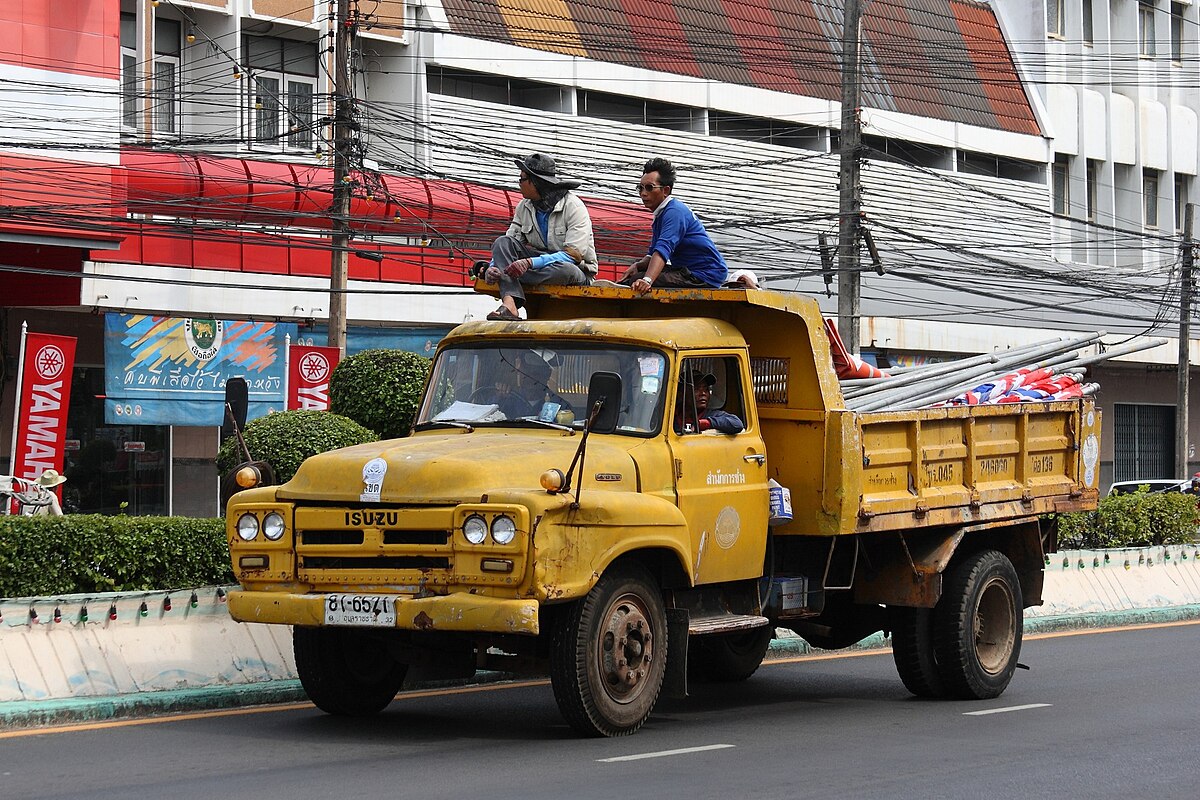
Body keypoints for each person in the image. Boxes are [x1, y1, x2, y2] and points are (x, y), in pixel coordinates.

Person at [481, 154, 597, 321]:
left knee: (566, 270)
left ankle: (506, 278)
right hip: (535, 268)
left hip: (575, 272)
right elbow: (510, 241)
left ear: (535, 182)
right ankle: (510, 304)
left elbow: (574, 255)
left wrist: (528, 263)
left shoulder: (573, 206)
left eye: (522, 179)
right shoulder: (524, 206)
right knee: (502, 242)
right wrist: (493, 267)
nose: (519, 184)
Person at [621, 157, 728, 295]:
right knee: (635, 276)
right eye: (640, 188)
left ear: (665, 190)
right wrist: (637, 266)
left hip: (704, 274)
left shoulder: (674, 212)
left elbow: (663, 249)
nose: (643, 193)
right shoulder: (661, 214)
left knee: (638, 280)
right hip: (687, 271)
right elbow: (653, 253)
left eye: (649, 188)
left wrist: (647, 280)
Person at [675, 370, 744, 434]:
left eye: (706, 389)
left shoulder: (713, 415)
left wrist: (704, 424)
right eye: (696, 389)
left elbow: (736, 424)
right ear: (681, 394)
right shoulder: (671, 416)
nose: (703, 393)